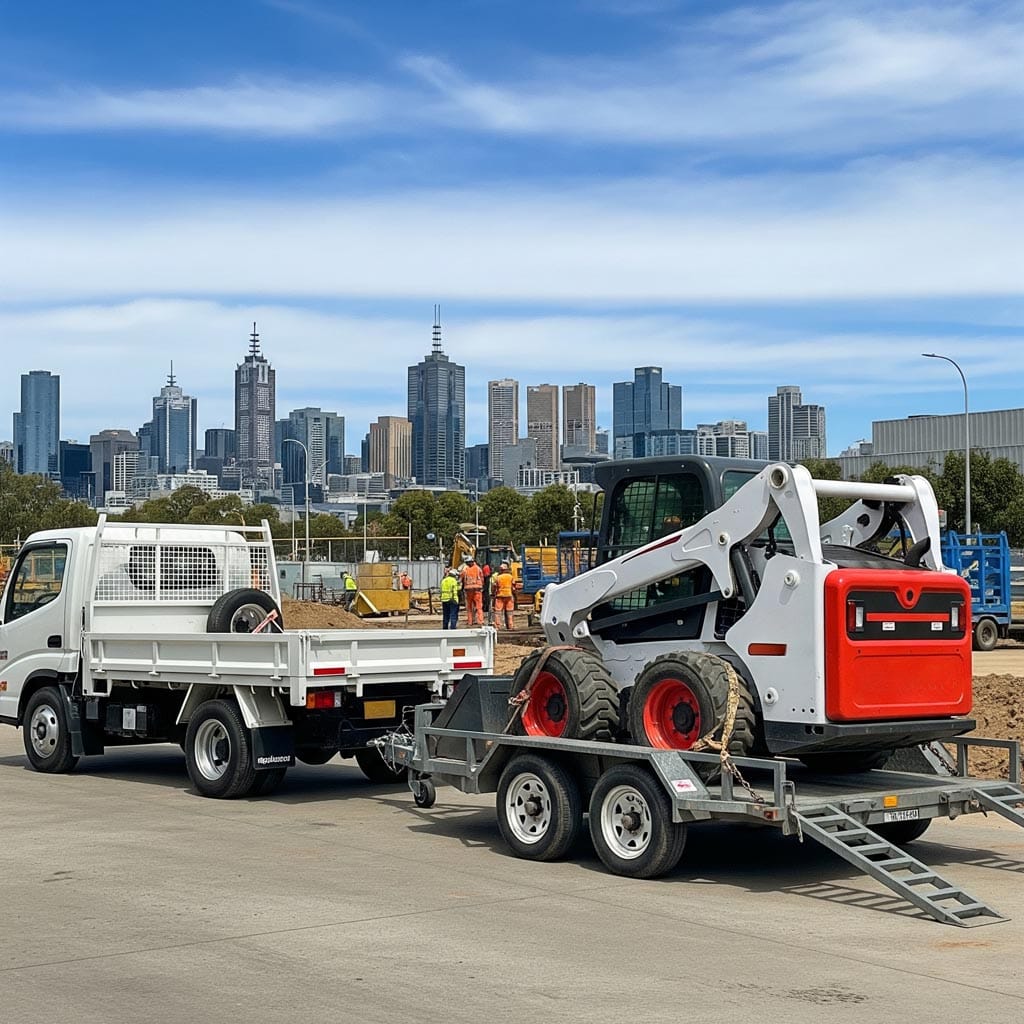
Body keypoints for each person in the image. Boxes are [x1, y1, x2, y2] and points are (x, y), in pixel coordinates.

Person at [460, 555, 484, 626]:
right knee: (479, 607)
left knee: (469, 607)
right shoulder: (478, 568)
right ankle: (480, 621)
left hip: (468, 590)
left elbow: (461, 577)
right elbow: (482, 578)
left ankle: (470, 622)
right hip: (477, 590)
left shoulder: (465, 569)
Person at [492, 561, 516, 631]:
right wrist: (514, 594)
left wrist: (493, 594)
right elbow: (514, 587)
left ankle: (497, 626)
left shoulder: (498, 577)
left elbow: (494, 587)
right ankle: (510, 626)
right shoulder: (511, 577)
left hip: (500, 597)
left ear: (501, 570)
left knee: (498, 612)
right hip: (509, 596)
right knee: (509, 612)